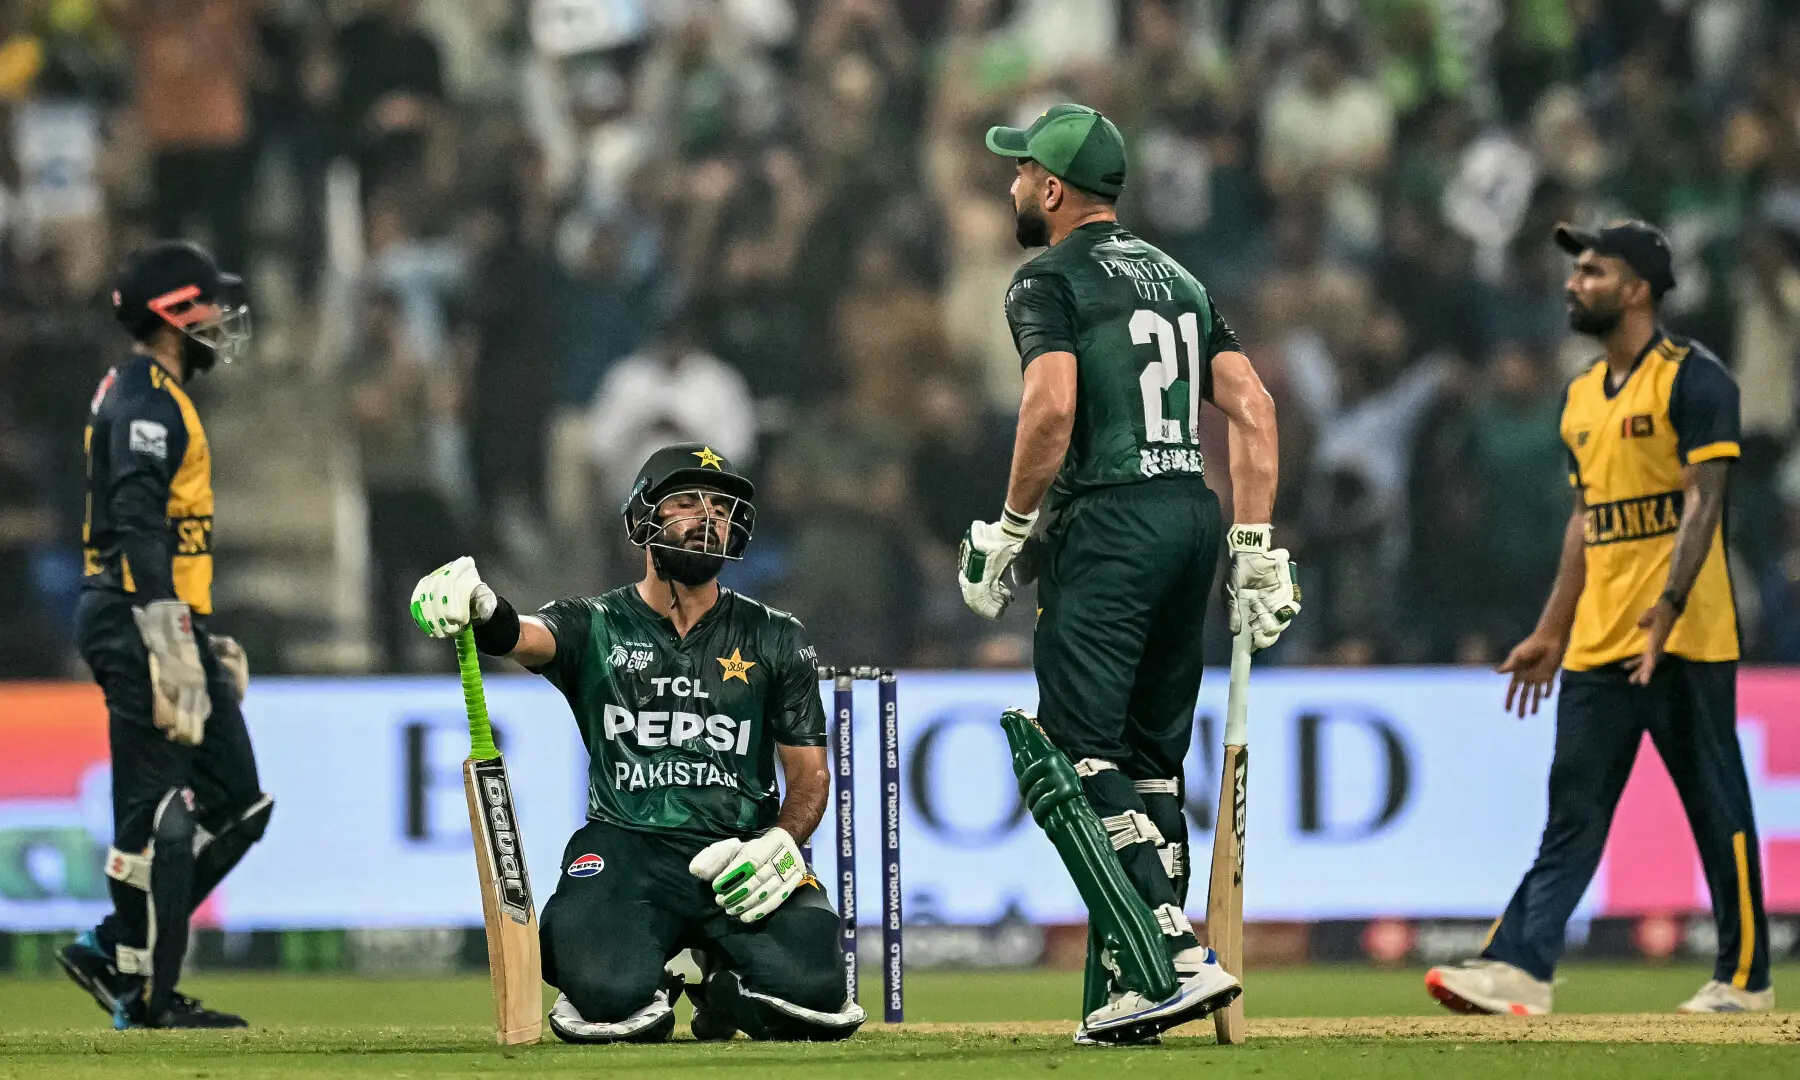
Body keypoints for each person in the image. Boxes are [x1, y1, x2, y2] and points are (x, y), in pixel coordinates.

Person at [957, 104, 1301, 1045]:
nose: (1014, 185)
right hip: (1191, 516)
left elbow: (1051, 406)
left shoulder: (1047, 278)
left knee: (1071, 749)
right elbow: (1255, 409)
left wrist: (1010, 527)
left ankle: (1167, 952)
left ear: (1056, 190)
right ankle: (1130, 988)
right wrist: (1256, 545)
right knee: (1150, 767)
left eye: (1023, 172)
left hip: (1106, 519)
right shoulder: (1181, 280)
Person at [1426, 221, 1774, 1015]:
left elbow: (1705, 499)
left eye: (1592, 271)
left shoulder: (1693, 379)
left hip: (1683, 638)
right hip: (1598, 641)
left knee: (1716, 804)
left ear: (1638, 289)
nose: (1573, 283)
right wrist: (1553, 629)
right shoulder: (1580, 394)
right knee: (1572, 812)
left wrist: (1670, 605)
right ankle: (1521, 969)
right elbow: (1588, 518)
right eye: (1574, 271)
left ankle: (1745, 977)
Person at [409, 443, 864, 1044]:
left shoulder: (776, 636)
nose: (707, 517)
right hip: (625, 848)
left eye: (721, 507)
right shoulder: (594, 622)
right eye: (686, 502)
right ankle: (649, 970)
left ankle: (722, 988)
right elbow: (518, 635)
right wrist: (482, 603)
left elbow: (810, 777)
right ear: (640, 520)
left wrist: (782, 843)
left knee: (817, 988)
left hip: (740, 854)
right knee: (601, 991)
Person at [57, 241, 268, 1029]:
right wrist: (165, 626)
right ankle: (143, 992)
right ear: (177, 313)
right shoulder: (147, 397)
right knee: (157, 811)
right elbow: (138, 518)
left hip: (157, 611)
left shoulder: (148, 388)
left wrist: (190, 630)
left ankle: (116, 947)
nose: (221, 317)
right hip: (137, 612)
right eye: (209, 303)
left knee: (237, 801)